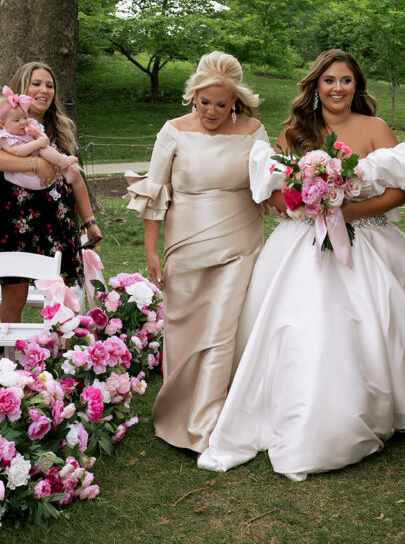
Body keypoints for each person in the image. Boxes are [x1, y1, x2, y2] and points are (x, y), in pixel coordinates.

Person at [198, 49, 405, 482]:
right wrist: (306, 206)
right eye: (329, 80)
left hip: (368, 237)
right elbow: (271, 192)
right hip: (302, 242)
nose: (338, 88)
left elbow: (398, 193)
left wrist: (341, 212)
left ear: (358, 86)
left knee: (387, 319)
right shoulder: (295, 131)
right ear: (315, 85)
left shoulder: (375, 128)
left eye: (346, 80)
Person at [126, 51, 267, 453]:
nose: (212, 111)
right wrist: (153, 253)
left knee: (222, 331)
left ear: (236, 100)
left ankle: (210, 426)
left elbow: (265, 185)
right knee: (185, 331)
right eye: (205, 102)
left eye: (222, 104)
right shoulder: (172, 131)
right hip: (185, 244)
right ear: (194, 96)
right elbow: (154, 194)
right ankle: (178, 410)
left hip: (239, 244)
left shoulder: (254, 132)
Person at [0, 62, 101, 324]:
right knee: (14, 293)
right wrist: (37, 163)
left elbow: (76, 178)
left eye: (50, 85)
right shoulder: (7, 125)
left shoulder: (59, 128)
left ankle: (60, 361)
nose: (44, 89)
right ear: (22, 88)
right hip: (16, 224)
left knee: (61, 297)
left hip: (56, 222)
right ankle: (5, 361)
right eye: (36, 84)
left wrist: (90, 222)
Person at [0, 88, 80, 185]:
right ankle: (62, 161)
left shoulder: (27, 128)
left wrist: (37, 135)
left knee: (44, 148)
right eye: (17, 120)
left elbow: (45, 140)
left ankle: (65, 171)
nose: (23, 122)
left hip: (43, 174)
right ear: (3, 124)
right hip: (26, 175)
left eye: (25, 117)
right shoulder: (5, 137)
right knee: (41, 149)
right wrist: (38, 143)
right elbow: (17, 151)